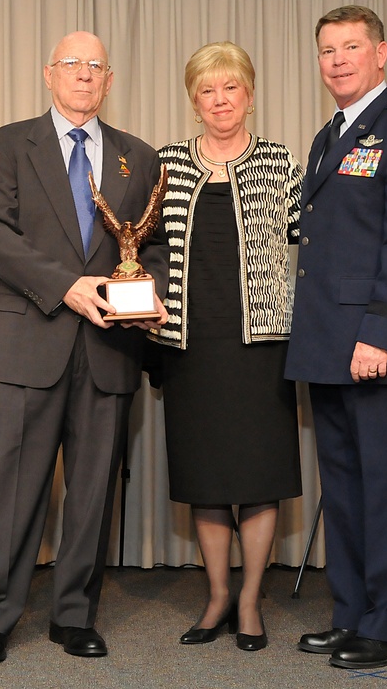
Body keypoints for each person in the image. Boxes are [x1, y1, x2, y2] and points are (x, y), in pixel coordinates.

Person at [0, 31, 168, 664]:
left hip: (110, 348)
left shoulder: (140, 156)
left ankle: (75, 613)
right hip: (31, 336)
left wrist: (151, 293)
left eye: (95, 66)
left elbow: (151, 244)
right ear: (48, 75)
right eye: (72, 64)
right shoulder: (6, 145)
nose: (84, 74)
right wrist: (66, 286)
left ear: (108, 81)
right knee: (10, 486)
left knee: (92, 489)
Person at [285, 6, 387, 670]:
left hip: (377, 346)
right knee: (346, 488)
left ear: (380, 53)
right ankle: (352, 613)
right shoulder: (329, 137)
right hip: (329, 343)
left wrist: (379, 335)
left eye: (351, 47)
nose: (338, 60)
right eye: (327, 50)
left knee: (384, 487)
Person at [151, 42, 303, 652]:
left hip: (260, 342)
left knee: (258, 475)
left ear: (250, 94)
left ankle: (249, 599)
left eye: (230, 88)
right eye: (207, 90)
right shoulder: (165, 163)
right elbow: (141, 246)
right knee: (206, 477)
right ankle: (216, 595)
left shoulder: (279, 160)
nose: (220, 100)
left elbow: (310, 237)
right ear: (194, 100)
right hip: (190, 342)